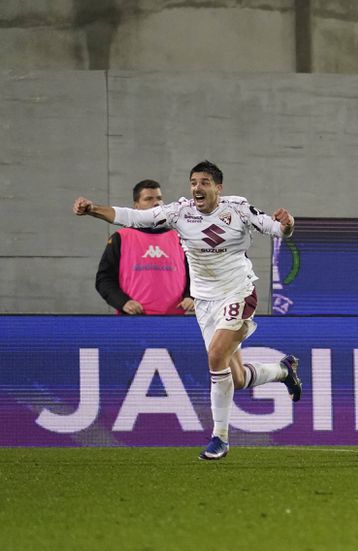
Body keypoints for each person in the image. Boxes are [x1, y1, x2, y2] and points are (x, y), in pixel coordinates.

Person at [74, 160, 302, 461]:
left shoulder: (239, 209)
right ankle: (284, 370)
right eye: (194, 182)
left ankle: (220, 437)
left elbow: (277, 230)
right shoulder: (179, 212)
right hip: (205, 303)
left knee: (215, 357)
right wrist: (93, 210)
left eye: (205, 182)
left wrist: (287, 224)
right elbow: (135, 217)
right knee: (236, 379)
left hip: (238, 294)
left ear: (218, 188)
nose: (197, 188)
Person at [95, 179, 194, 315]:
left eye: (159, 198)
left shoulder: (180, 236)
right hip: (133, 321)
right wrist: (123, 302)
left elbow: (196, 273)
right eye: (148, 199)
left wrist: (191, 296)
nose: (156, 203)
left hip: (174, 322)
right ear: (136, 206)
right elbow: (104, 279)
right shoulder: (121, 237)